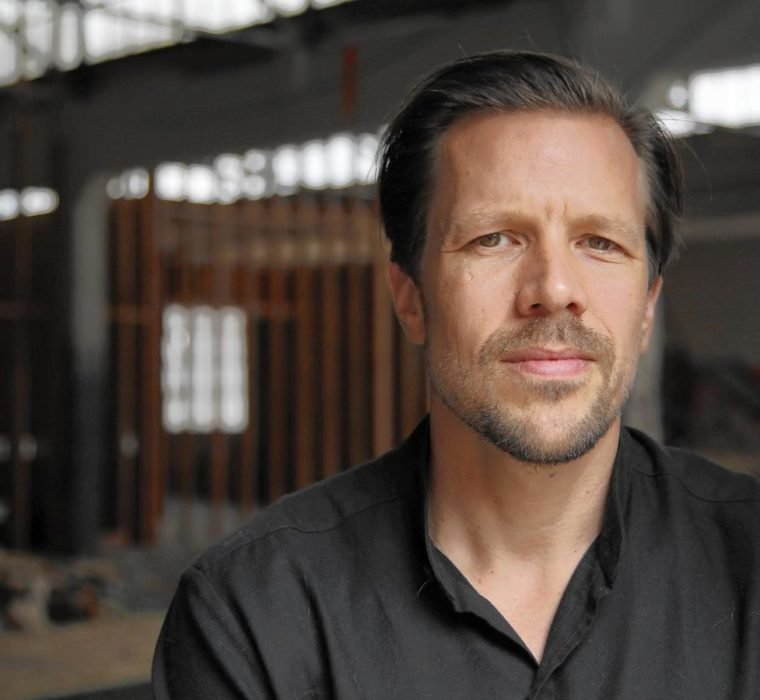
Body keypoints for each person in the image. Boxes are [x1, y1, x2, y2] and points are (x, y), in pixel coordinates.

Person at [152, 51, 760, 698]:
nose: (555, 289)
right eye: (493, 238)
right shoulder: (253, 616)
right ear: (410, 298)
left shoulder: (749, 566)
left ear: (646, 308)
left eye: (600, 243)